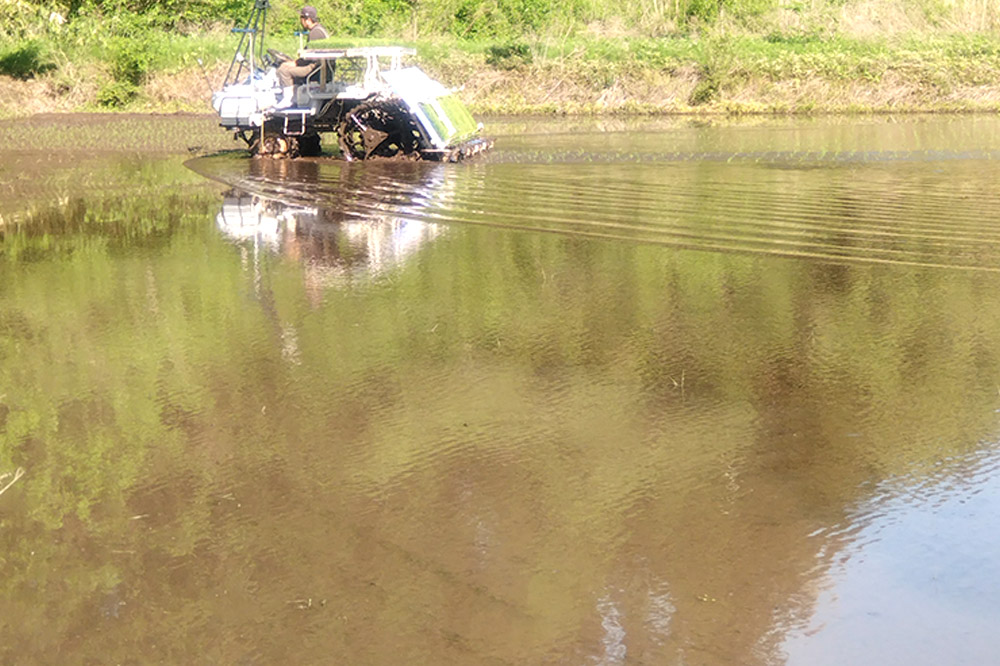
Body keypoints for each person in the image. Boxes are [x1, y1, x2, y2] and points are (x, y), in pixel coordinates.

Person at [274, 6, 330, 109]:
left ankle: (289, 99)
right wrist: (295, 62)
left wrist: (295, 63)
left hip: (315, 68)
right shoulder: (320, 30)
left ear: (308, 20)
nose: (301, 21)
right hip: (318, 66)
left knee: (283, 70)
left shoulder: (315, 33)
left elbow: (310, 57)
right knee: (287, 66)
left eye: (302, 18)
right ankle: (295, 96)